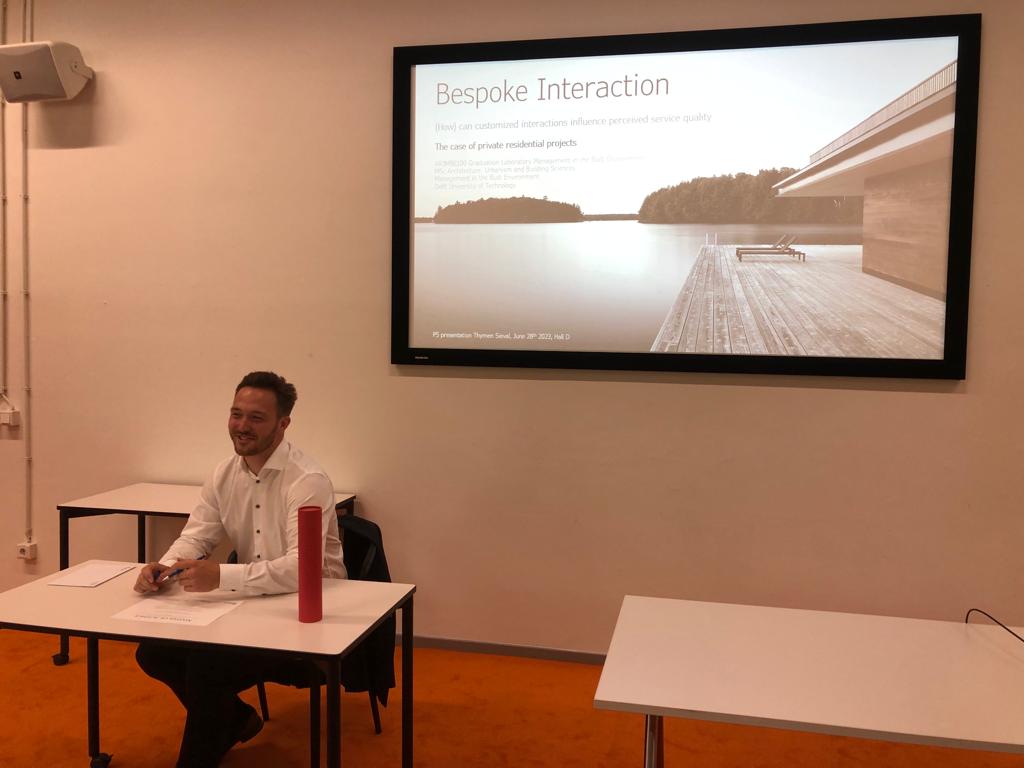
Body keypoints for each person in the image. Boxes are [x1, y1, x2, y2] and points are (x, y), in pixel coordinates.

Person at [133, 371, 345, 768]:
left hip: (312, 613)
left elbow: (303, 570)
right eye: (236, 414)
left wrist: (220, 577)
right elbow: (197, 535)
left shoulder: (307, 480)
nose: (242, 426)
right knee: (153, 652)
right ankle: (235, 719)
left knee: (206, 667)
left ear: (283, 424)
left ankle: (210, 744)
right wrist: (165, 567)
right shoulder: (224, 473)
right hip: (253, 603)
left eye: (256, 418)